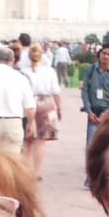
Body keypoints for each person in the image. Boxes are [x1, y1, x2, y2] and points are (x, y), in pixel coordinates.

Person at [25, 42, 62, 179]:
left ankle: (25, 171)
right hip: (46, 103)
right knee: (41, 141)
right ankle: (37, 172)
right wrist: (59, 108)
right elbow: (56, 91)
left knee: (28, 140)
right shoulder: (49, 71)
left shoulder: (24, 71)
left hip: (28, 103)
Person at [80, 43, 109, 148]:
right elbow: (85, 91)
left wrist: (107, 113)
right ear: (99, 54)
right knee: (91, 145)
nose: (106, 56)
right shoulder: (90, 71)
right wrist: (89, 111)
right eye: (104, 53)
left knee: (105, 146)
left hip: (107, 114)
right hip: (93, 113)